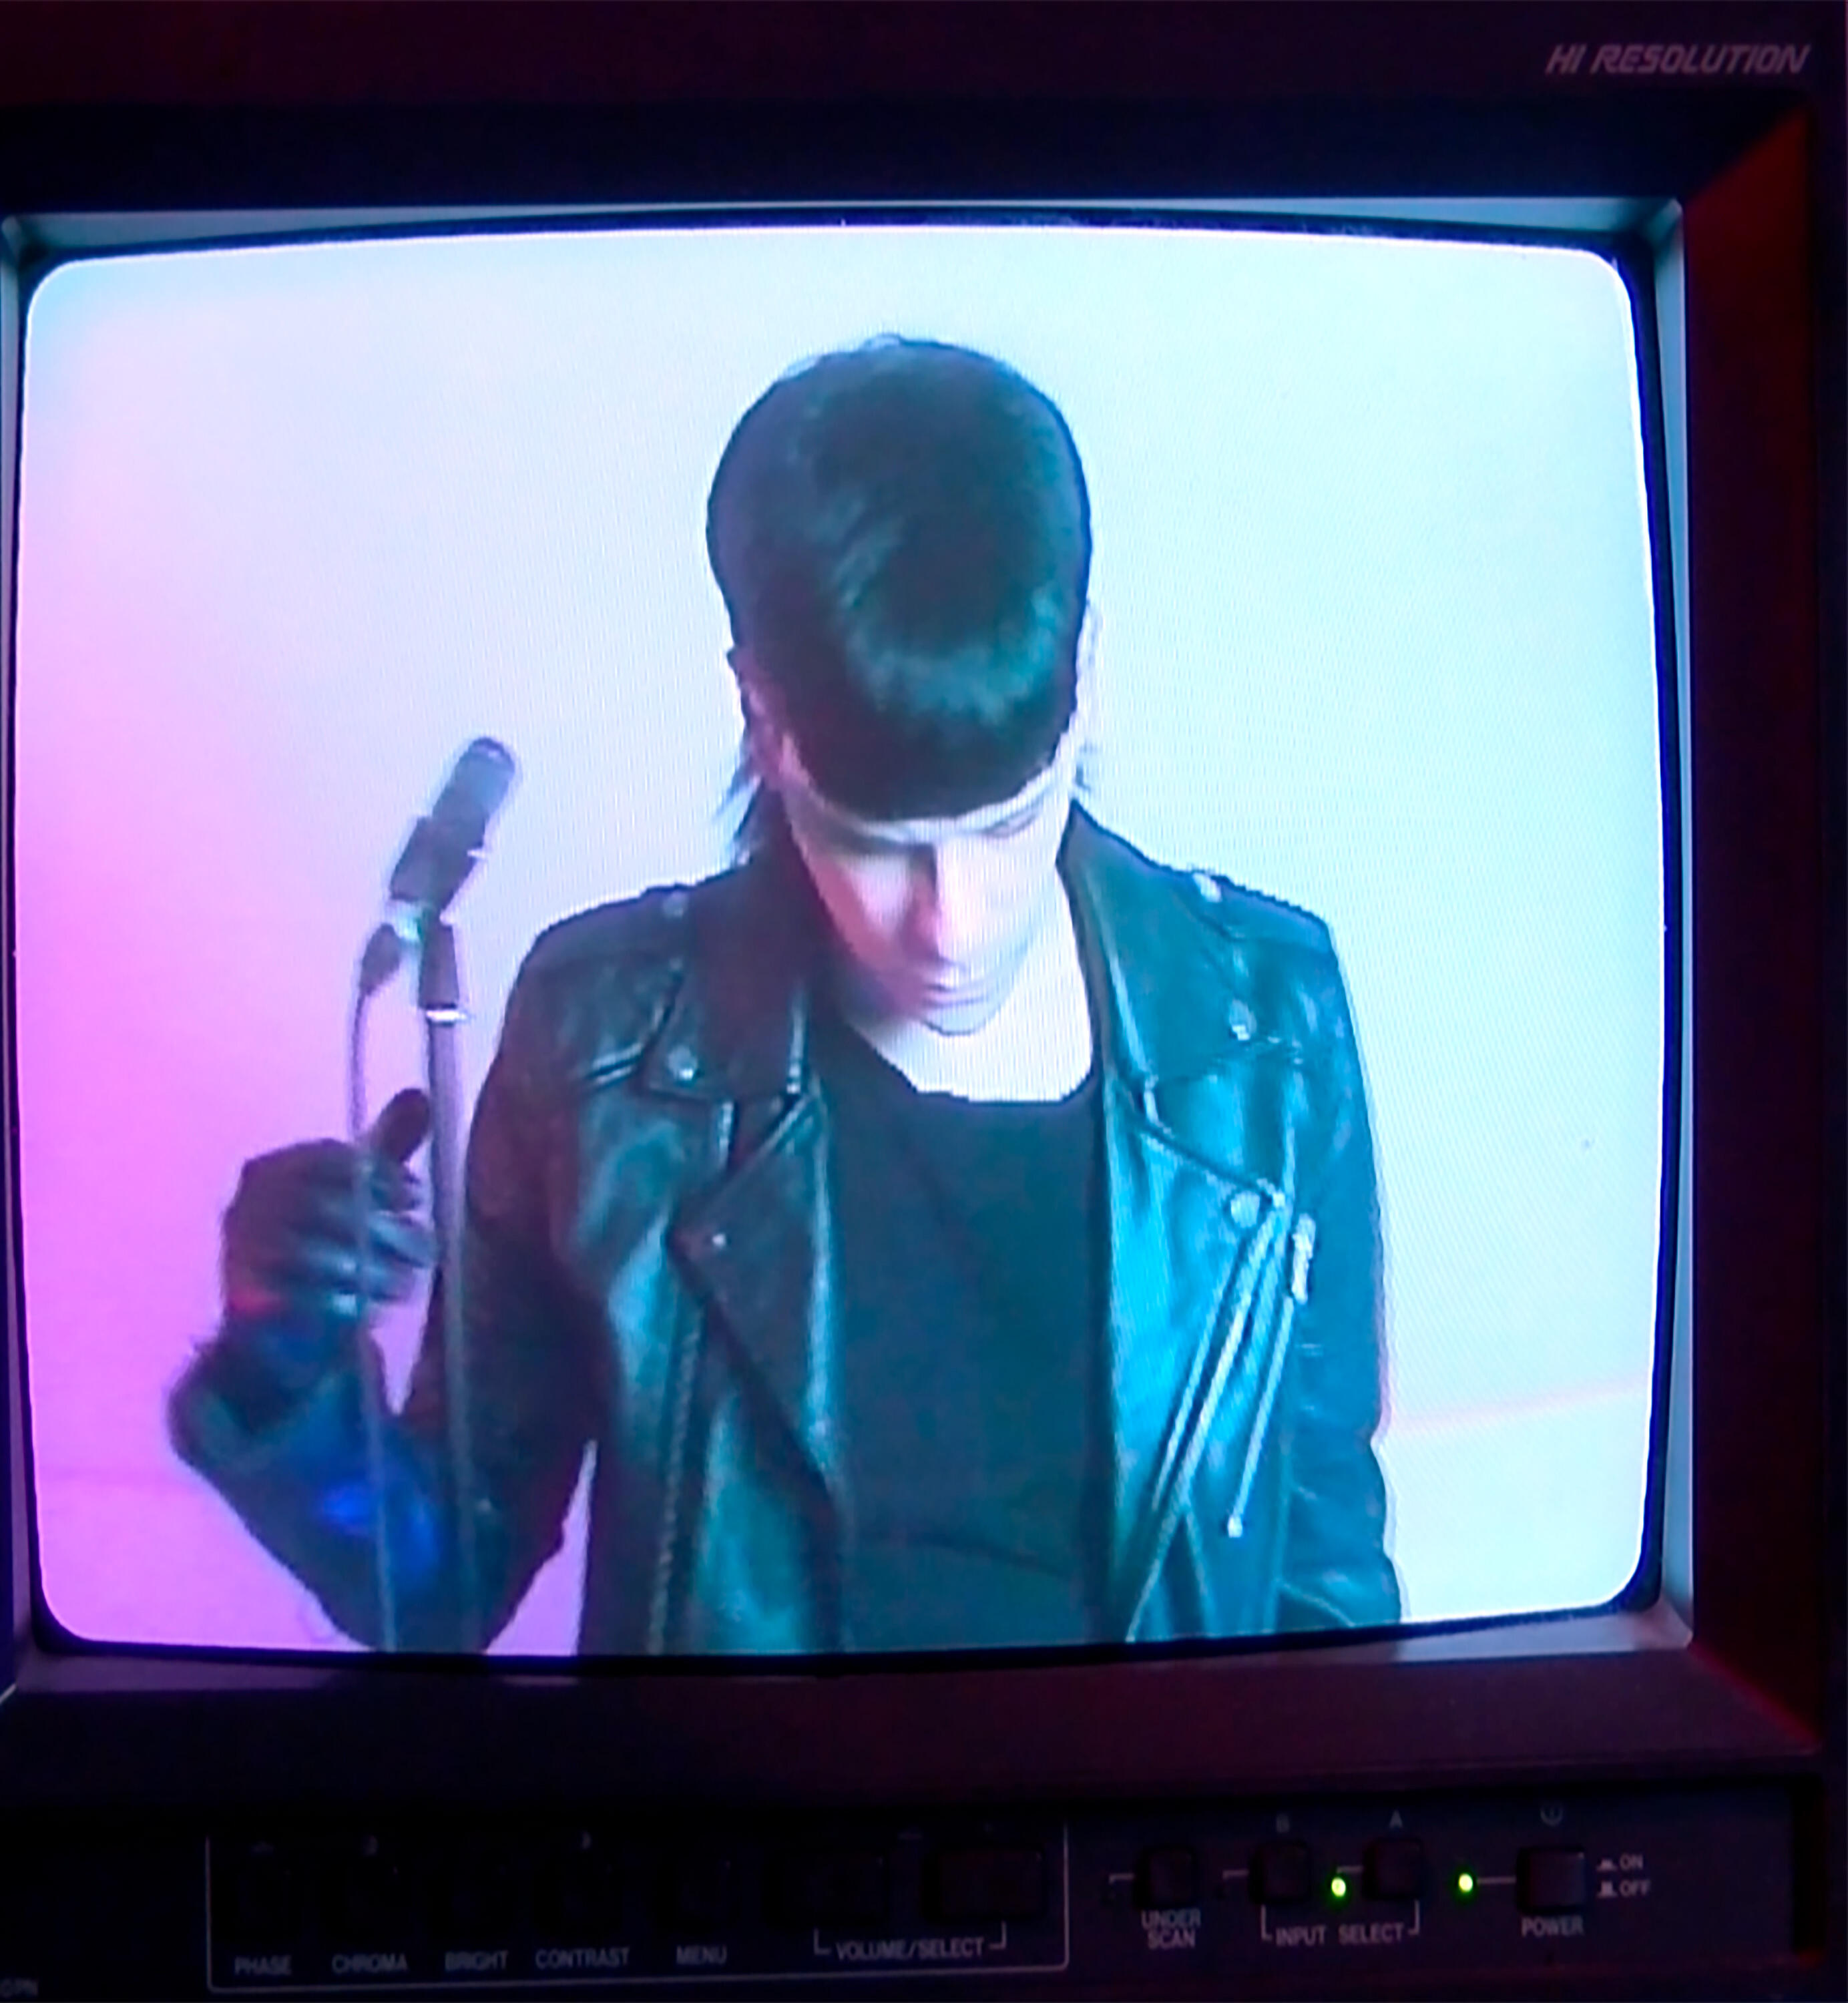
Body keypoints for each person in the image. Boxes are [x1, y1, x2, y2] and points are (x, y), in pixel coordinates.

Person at [169, 337, 1401, 1654]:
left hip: (1146, 1793)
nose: (949, 925)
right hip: (743, 1792)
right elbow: (437, 1587)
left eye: (1005, 827)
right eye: (874, 846)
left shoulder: (1264, 1028)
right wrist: (282, 1357)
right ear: (760, 712)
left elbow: (1321, 1575)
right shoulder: (602, 1045)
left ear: (1085, 674)